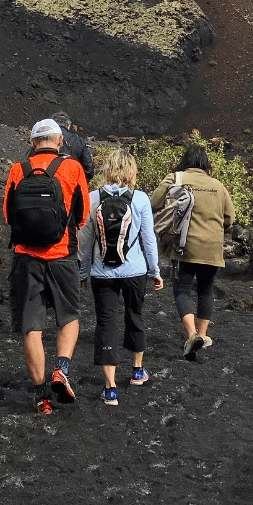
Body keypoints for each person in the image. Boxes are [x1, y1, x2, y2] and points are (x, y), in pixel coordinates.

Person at [3, 118, 90, 415]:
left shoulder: (18, 169)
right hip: (62, 255)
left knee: (32, 327)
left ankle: (42, 398)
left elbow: (8, 215)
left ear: (32, 142)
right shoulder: (73, 168)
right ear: (60, 140)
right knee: (69, 317)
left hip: (26, 259)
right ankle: (61, 370)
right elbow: (82, 215)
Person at [79, 148, 163, 407]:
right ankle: (137, 371)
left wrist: (82, 273)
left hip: (102, 272)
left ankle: (110, 389)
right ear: (131, 172)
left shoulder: (93, 198)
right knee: (135, 315)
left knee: (106, 323)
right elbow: (148, 239)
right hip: (135, 271)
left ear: (107, 170)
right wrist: (155, 271)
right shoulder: (140, 199)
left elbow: (85, 240)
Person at [151, 144, 235, 362]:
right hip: (213, 248)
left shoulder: (175, 178)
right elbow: (230, 218)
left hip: (185, 247)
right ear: (205, 163)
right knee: (206, 291)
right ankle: (203, 336)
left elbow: (154, 203)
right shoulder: (218, 185)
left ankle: (191, 335)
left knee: (182, 290)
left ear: (185, 160)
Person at [51, 110, 95, 181]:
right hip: (71, 182)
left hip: (48, 182)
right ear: (68, 125)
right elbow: (89, 171)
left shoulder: (43, 140)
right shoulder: (78, 141)